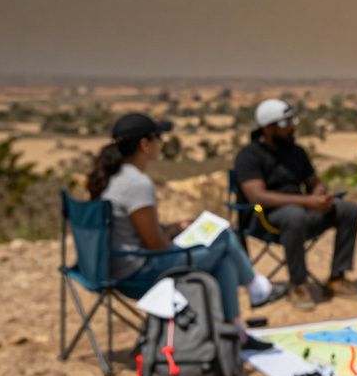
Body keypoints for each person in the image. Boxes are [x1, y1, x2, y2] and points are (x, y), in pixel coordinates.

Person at [88, 113, 284, 350]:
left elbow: (134, 230)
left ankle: (237, 332)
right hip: (141, 274)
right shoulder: (137, 184)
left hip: (114, 267)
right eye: (158, 137)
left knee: (224, 260)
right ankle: (256, 288)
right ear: (144, 144)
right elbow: (156, 246)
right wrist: (176, 239)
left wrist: (173, 229)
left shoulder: (112, 177)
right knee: (223, 235)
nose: (161, 143)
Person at [234, 98, 357, 311]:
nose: (292, 127)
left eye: (292, 120)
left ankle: (337, 278)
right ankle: (298, 285)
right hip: (264, 219)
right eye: (285, 123)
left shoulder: (296, 152)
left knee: (348, 210)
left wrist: (320, 194)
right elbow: (257, 197)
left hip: (301, 214)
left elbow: (313, 182)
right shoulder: (249, 156)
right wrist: (307, 201)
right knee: (293, 216)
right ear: (267, 128)